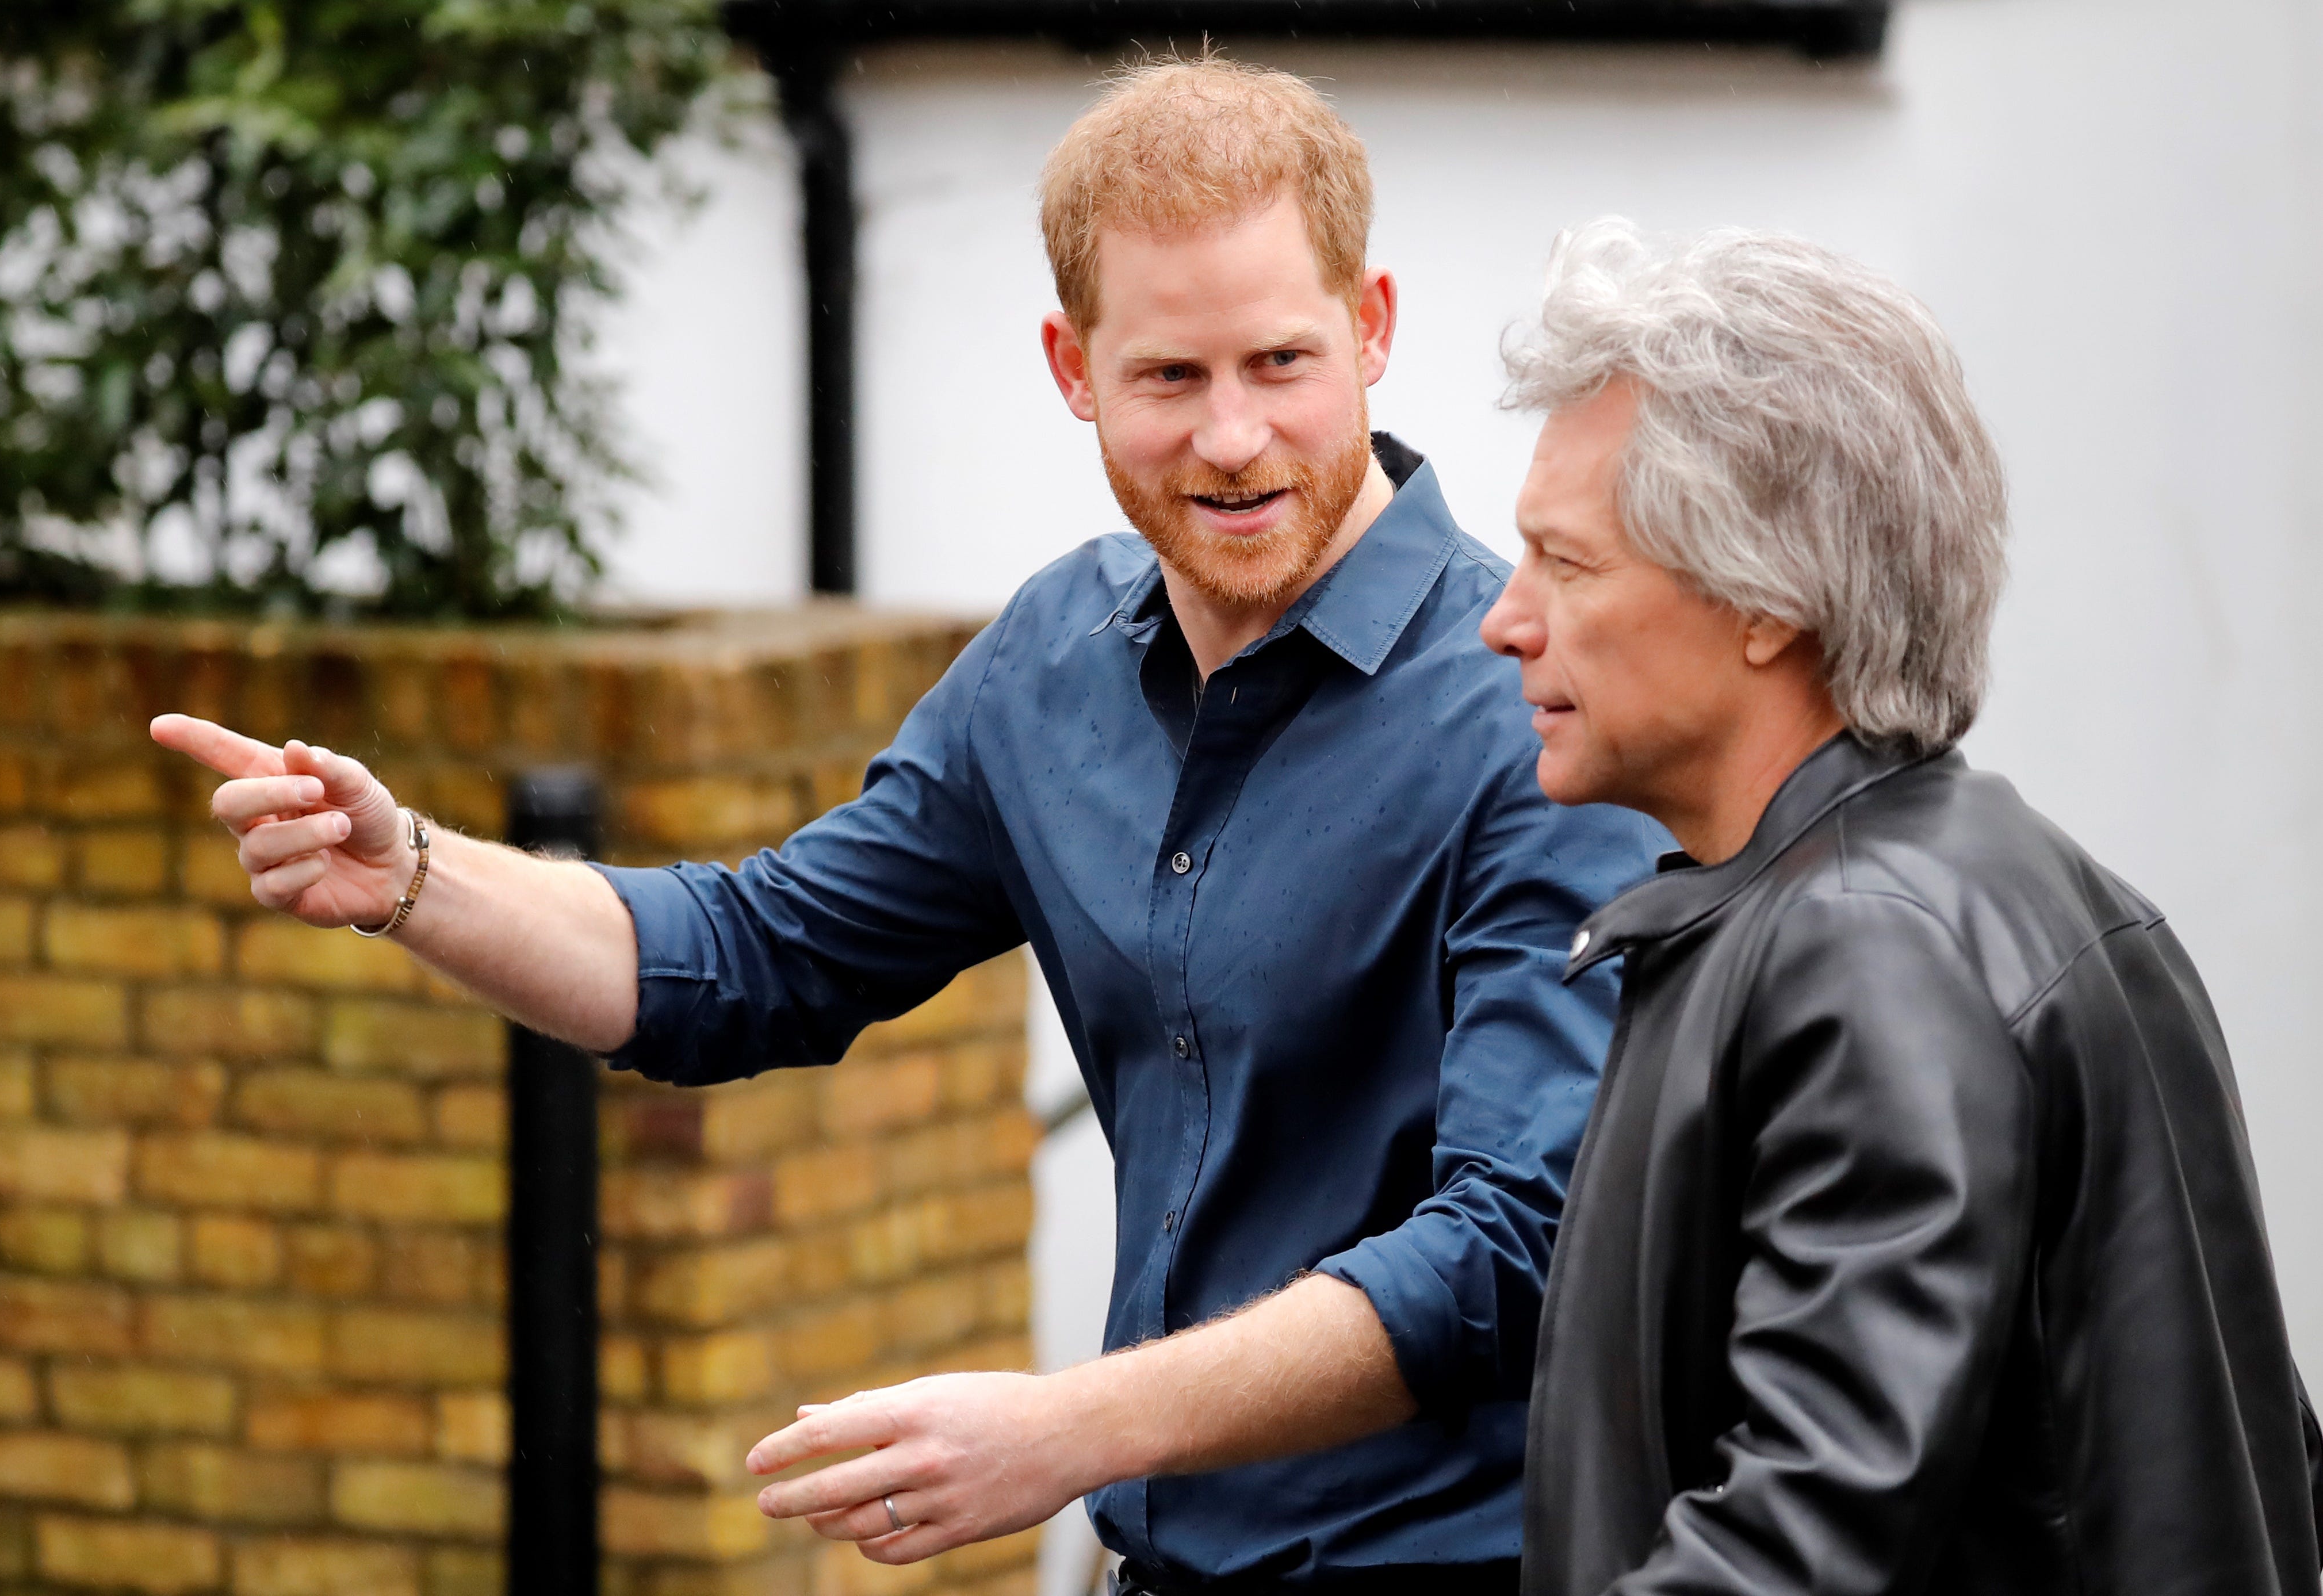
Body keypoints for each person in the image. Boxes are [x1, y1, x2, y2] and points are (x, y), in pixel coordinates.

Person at [152, 60, 1664, 1592]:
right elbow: (748, 957)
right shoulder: (1054, 661)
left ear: (1375, 327)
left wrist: (1073, 1431)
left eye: (1280, 362)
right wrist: (410, 871)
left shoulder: (1522, 706)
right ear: (1071, 367)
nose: (1230, 438)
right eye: (1168, 378)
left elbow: (1515, 1254)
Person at [1479, 219, 2323, 1596]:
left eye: (1566, 563)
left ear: (1767, 601)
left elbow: (1808, 1536)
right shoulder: (1991, 890)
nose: (1505, 619)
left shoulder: (1869, 948)